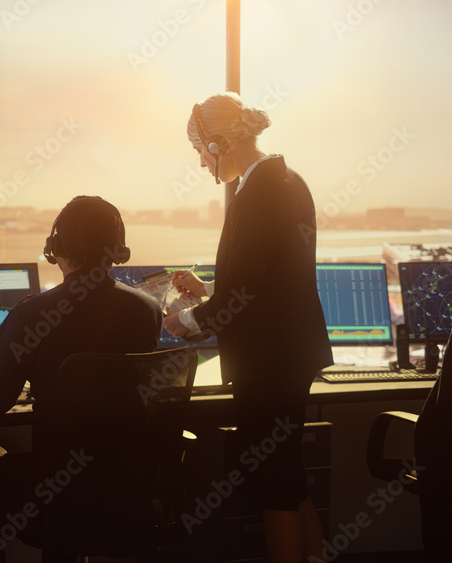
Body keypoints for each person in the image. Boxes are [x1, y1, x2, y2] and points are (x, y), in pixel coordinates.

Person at [0, 195, 162, 562]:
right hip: (132, 490)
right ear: (117, 249)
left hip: (58, 495)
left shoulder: (33, 314)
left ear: (55, 248)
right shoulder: (148, 310)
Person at [162, 92, 333, 562]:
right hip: (286, 353)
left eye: (200, 151)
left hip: (270, 360)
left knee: (272, 486)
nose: (201, 164)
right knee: (288, 475)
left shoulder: (259, 192)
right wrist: (208, 291)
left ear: (219, 145)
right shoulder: (285, 179)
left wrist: (185, 321)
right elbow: (260, 276)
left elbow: (250, 292)